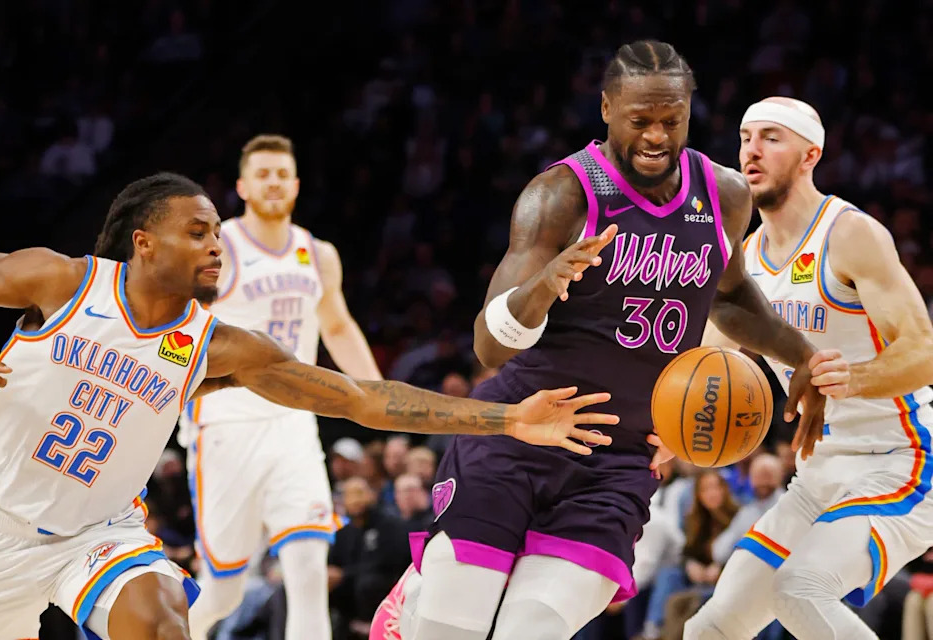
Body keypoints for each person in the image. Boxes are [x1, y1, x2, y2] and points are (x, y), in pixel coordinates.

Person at [0, 172, 616, 640]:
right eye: (196, 233)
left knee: (165, 623)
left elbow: (362, 399)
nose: (215, 247)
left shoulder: (217, 346)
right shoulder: (61, 280)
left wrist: (509, 418)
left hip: (94, 534)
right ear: (143, 243)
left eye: (218, 235)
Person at [371, 40, 827, 640]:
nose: (658, 136)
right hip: (517, 434)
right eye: (641, 121)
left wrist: (805, 358)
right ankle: (422, 593)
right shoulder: (561, 194)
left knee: (530, 630)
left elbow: (735, 297)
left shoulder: (723, 194)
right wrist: (541, 288)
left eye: (673, 120)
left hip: (617, 459)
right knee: (452, 630)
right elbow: (488, 347)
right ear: (608, 109)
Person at [685, 97, 933, 639]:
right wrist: (663, 430)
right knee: (709, 629)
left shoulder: (849, 234)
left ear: (809, 154)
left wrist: (851, 378)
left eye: (772, 137)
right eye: (746, 137)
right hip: (818, 475)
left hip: (904, 462)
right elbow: (702, 361)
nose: (752, 149)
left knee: (800, 589)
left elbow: (923, 350)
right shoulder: (745, 262)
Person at [179, 134, 384, 640]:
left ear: (294, 185)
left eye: (281, 174)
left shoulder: (318, 253)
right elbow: (175, 327)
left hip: (294, 423)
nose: (272, 182)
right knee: (223, 590)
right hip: (227, 426)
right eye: (262, 174)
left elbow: (336, 327)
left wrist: (380, 396)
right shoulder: (216, 246)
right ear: (243, 186)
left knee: (309, 568)